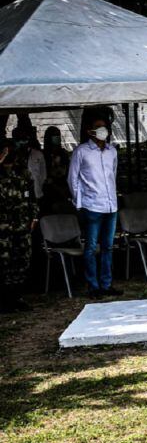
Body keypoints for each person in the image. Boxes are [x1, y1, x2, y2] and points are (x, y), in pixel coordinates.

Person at [68, 117, 122, 298]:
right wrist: (79, 202)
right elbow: (73, 178)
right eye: (98, 127)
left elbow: (113, 175)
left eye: (104, 127)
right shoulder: (81, 151)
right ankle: (93, 286)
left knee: (108, 246)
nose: (102, 130)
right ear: (89, 131)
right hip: (92, 205)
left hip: (111, 205)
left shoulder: (112, 151)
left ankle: (106, 284)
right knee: (91, 247)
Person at [0, 140, 37, 312]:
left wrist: (34, 217)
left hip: (21, 225)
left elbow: (32, 197)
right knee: (4, 262)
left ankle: (17, 297)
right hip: (3, 227)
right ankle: (5, 300)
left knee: (22, 261)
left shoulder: (23, 172)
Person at [11, 126, 45, 203]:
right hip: (21, 180)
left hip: (30, 180)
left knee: (30, 196)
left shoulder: (31, 149)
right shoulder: (15, 152)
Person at [41, 126, 71, 213]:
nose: (57, 138)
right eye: (54, 136)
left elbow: (67, 170)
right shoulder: (43, 155)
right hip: (48, 191)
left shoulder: (63, 153)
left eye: (58, 136)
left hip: (62, 188)